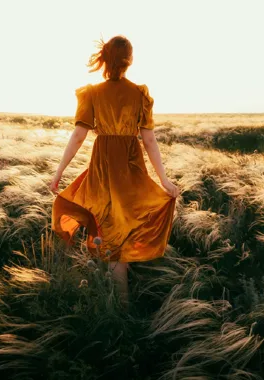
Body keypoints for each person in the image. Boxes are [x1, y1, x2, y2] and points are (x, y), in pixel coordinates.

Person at [48, 35, 180, 308]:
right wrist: (163, 180)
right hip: (131, 168)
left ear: (105, 59)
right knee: (124, 225)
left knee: (108, 226)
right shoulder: (139, 94)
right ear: (129, 61)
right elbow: (149, 140)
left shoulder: (92, 93)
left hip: (104, 167)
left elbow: (78, 136)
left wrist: (59, 172)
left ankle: (120, 306)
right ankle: (120, 293)